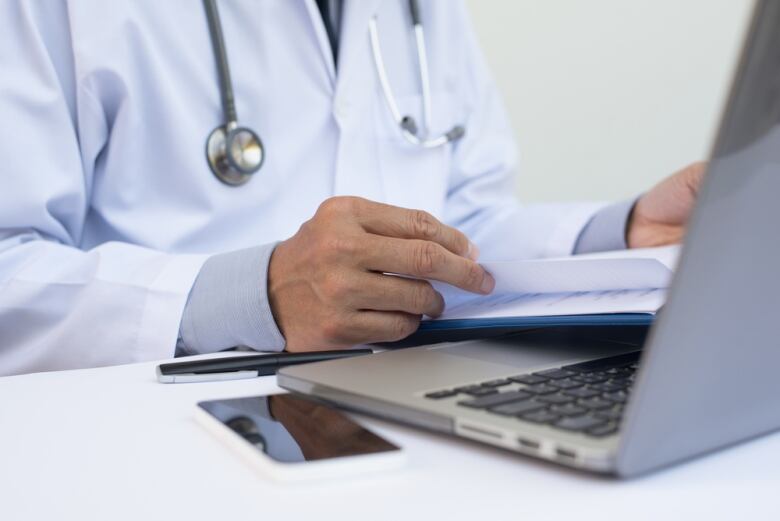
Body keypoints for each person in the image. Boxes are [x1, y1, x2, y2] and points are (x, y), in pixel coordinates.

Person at [0, 0, 704, 375]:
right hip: (147, 433)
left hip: (396, 405)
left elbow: (457, 223)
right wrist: (252, 294)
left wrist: (622, 232)